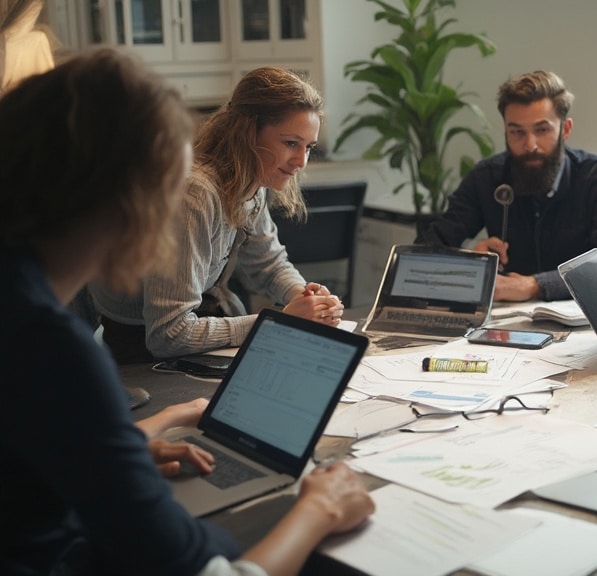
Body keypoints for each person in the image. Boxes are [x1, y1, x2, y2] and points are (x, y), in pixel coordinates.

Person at [0, 47, 374, 576]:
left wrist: (159, 425)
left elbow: (47, 445)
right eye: (165, 191)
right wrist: (320, 507)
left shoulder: (22, 312)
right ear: (127, 201)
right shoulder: (54, 351)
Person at [89, 66, 345, 363]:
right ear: (248, 133)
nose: (301, 161)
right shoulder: (195, 194)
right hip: (139, 353)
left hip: (193, 329)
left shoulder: (253, 182)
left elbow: (269, 264)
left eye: (308, 147)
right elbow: (168, 334)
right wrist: (279, 323)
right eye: (290, 143)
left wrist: (305, 298)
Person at [416, 70, 597, 302]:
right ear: (506, 132)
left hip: (582, 321)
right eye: (517, 132)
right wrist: (469, 261)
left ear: (566, 130)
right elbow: (423, 252)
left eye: (542, 130)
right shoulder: (487, 177)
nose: (530, 145)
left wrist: (534, 286)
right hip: (505, 323)